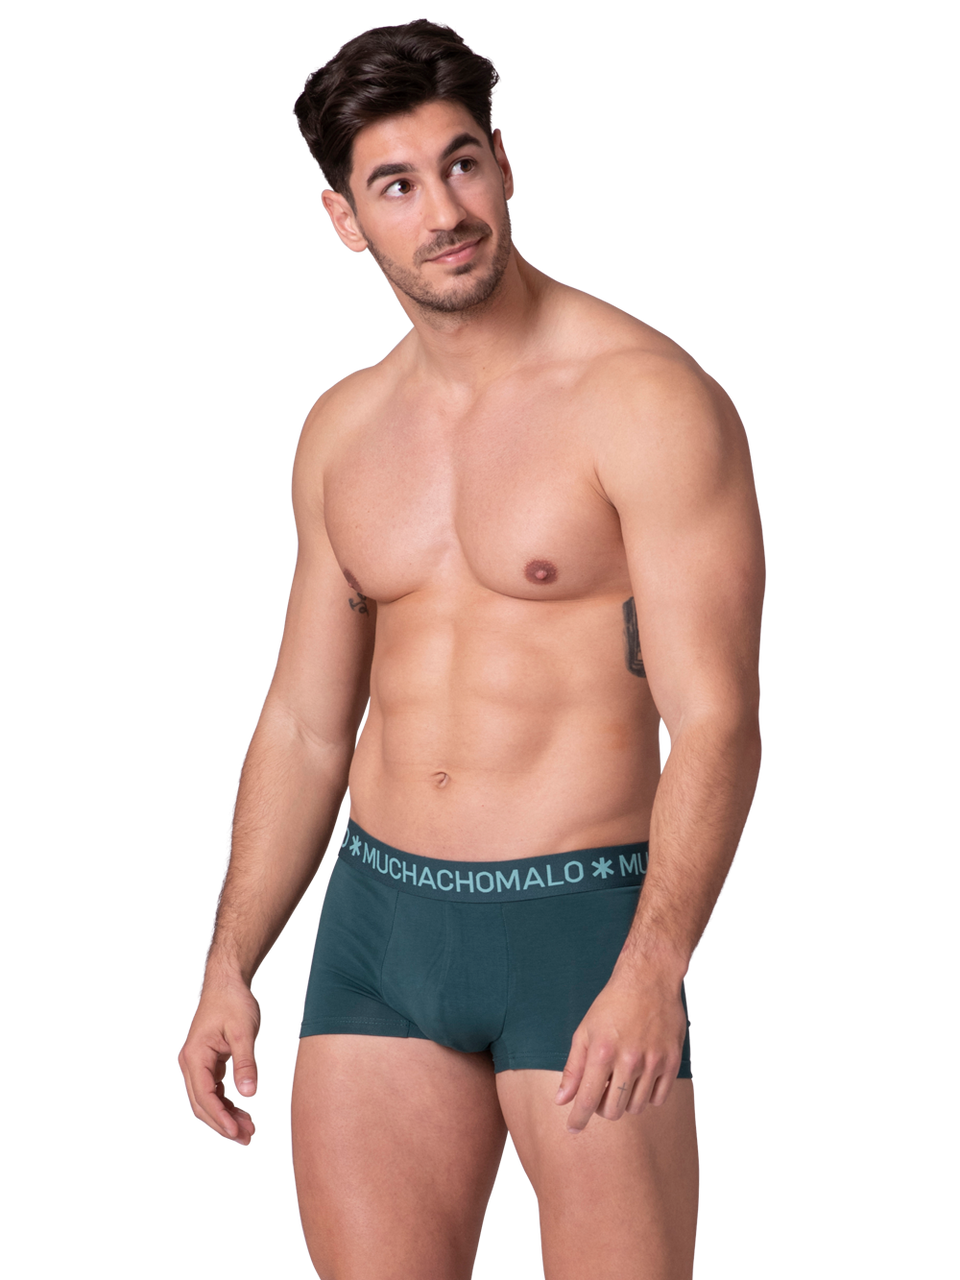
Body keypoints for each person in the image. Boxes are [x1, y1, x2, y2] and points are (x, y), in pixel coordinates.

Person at [177, 16, 766, 1279]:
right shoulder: (342, 428)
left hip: (582, 928)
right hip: (378, 933)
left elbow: (717, 716)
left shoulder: (645, 398)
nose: (443, 211)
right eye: (396, 185)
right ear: (345, 219)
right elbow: (304, 721)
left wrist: (654, 964)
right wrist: (229, 961)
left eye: (460, 163)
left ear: (504, 163)